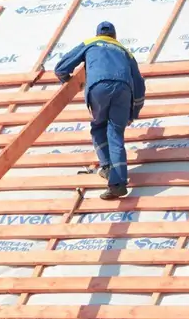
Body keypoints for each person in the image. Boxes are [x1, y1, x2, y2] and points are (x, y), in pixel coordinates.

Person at [54, 21, 146, 200]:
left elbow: (61, 67)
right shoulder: (126, 52)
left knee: (98, 127)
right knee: (115, 134)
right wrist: (134, 112)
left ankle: (106, 167)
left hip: (99, 87)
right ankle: (118, 182)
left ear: (99, 34)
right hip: (124, 90)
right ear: (115, 36)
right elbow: (140, 85)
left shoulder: (91, 43)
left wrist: (67, 80)